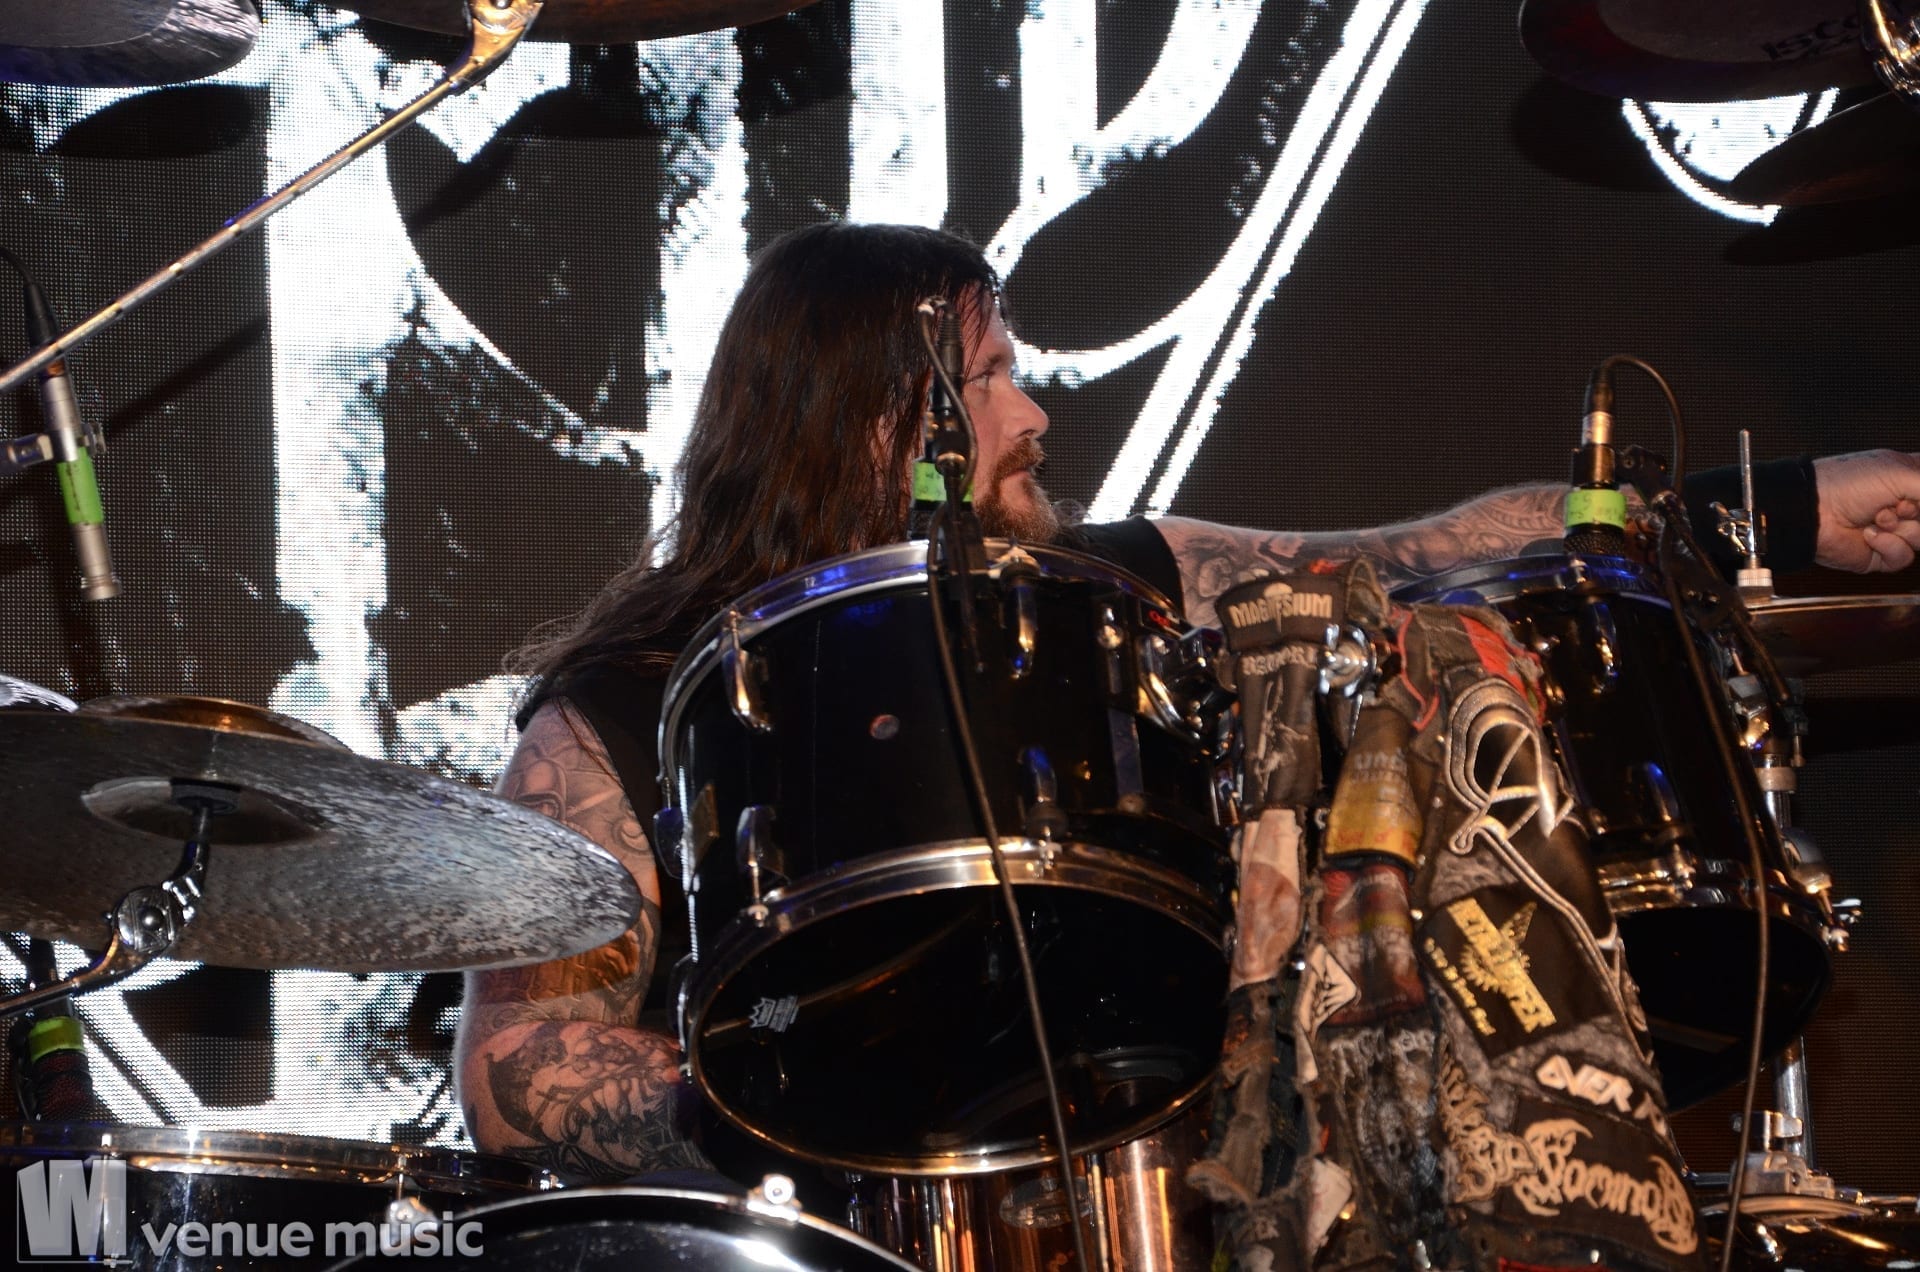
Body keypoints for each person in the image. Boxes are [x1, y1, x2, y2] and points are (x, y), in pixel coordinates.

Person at [455, 220, 1920, 1185]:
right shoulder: (626, 706)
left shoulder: (1103, 591)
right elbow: (516, 1065)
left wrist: (1779, 510)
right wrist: (817, 1100)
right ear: (873, 421)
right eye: (989, 379)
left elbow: (1424, 555)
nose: (1033, 414)